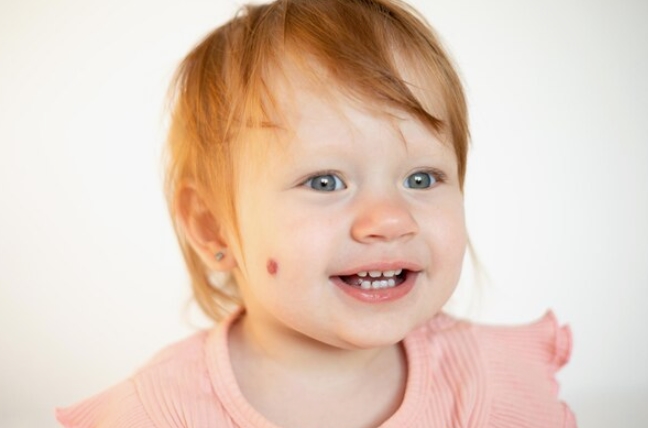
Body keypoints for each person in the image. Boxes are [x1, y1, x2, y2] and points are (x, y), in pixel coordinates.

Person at [56, 0, 575, 426]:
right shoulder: (155, 415)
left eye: (421, 179)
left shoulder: (502, 389)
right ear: (212, 226)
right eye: (325, 182)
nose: (390, 220)